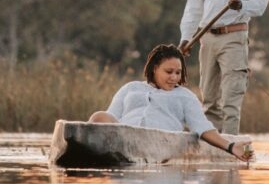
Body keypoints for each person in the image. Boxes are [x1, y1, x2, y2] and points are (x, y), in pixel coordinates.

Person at [178, 0, 267, 135]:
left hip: (234, 37)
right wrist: (186, 37)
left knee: (231, 99)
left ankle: (230, 147)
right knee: (208, 99)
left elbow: (261, 3)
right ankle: (211, 146)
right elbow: (194, 3)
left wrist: (240, 6)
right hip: (207, 38)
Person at [89, 44, 251, 161]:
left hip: (157, 140)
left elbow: (202, 128)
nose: (174, 77)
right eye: (168, 72)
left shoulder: (185, 96)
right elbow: (111, 117)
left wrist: (230, 146)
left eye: (178, 73)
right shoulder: (131, 88)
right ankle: (88, 152)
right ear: (154, 69)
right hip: (124, 138)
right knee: (99, 116)